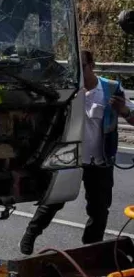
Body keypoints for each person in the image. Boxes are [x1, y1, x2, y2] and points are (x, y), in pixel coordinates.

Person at [20, 50, 134, 254]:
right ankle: (31, 233)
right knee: (54, 200)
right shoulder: (68, 88)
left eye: (81, 66)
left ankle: (90, 250)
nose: (77, 72)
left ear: (92, 65)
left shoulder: (111, 88)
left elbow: (131, 115)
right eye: (74, 67)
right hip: (70, 158)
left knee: (99, 210)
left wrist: (124, 111)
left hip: (100, 160)